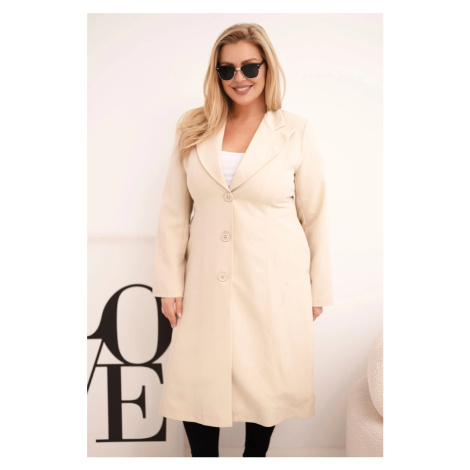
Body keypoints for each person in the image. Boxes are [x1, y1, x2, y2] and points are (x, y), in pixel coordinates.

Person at [153, 23, 334, 457]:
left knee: (266, 381)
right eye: (227, 69)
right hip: (204, 283)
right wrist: (169, 284)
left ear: (267, 68)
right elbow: (174, 213)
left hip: (274, 282)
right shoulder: (193, 127)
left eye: (250, 67)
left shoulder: (295, 131)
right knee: (197, 383)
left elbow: (316, 215)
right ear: (216, 74)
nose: (240, 78)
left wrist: (318, 290)